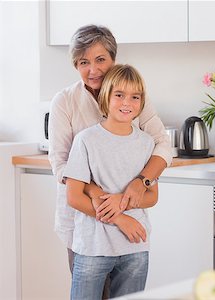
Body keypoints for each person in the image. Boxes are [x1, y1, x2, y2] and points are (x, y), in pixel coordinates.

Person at [48, 25, 172, 289]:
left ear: (113, 59)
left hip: (129, 231)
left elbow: (162, 144)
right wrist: (109, 208)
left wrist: (142, 182)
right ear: (75, 65)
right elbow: (61, 166)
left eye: (100, 59)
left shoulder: (134, 98)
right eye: (84, 62)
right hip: (85, 223)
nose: (93, 70)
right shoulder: (65, 101)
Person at [64, 64, 156, 299]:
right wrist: (120, 217)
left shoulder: (147, 144)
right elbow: (74, 197)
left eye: (135, 97)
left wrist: (120, 202)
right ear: (105, 97)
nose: (127, 103)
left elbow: (152, 196)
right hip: (93, 247)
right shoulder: (86, 140)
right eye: (119, 95)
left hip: (135, 247)